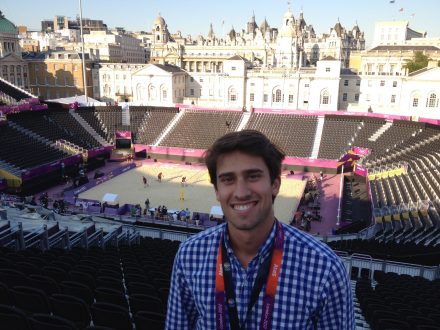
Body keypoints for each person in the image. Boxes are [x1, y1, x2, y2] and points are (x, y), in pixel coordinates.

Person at [166, 130, 354, 329]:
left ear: (275, 185)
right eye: (228, 179)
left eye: (253, 176)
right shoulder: (189, 256)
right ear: (217, 191)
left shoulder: (325, 269)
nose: (241, 192)